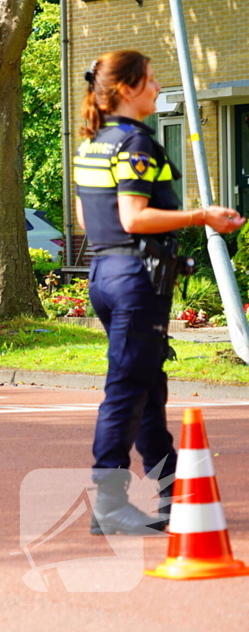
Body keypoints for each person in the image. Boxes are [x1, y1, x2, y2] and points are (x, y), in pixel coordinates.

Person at [73, 50, 246, 535]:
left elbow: (89, 220)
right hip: (137, 279)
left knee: (147, 385)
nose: (156, 86)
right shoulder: (136, 144)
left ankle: (174, 494)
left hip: (105, 274)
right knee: (128, 389)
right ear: (126, 89)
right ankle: (108, 502)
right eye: (148, 80)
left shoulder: (92, 144)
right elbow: (133, 217)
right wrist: (202, 216)